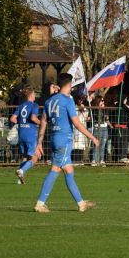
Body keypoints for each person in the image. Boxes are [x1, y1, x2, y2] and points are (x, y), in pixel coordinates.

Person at [33, 73, 99, 213]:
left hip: (55, 138)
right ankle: (40, 203)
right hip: (64, 140)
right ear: (69, 85)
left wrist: (39, 142)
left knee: (69, 170)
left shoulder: (49, 101)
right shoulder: (68, 100)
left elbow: (43, 122)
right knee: (55, 170)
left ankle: (81, 203)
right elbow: (76, 123)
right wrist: (92, 137)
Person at [11, 88, 41, 185]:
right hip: (30, 134)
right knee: (34, 157)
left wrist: (21, 124)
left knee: (24, 157)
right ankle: (22, 170)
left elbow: (12, 119)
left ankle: (19, 180)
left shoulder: (21, 106)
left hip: (21, 133)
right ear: (31, 95)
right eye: (34, 94)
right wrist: (41, 123)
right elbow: (33, 117)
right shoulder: (34, 105)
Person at [91, 96, 110, 166]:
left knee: (103, 146)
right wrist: (100, 109)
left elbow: (106, 118)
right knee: (96, 145)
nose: (103, 102)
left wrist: (104, 110)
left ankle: (102, 160)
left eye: (103, 100)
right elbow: (97, 117)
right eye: (102, 100)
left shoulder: (104, 109)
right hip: (97, 128)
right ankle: (94, 160)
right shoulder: (95, 109)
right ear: (98, 101)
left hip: (105, 128)